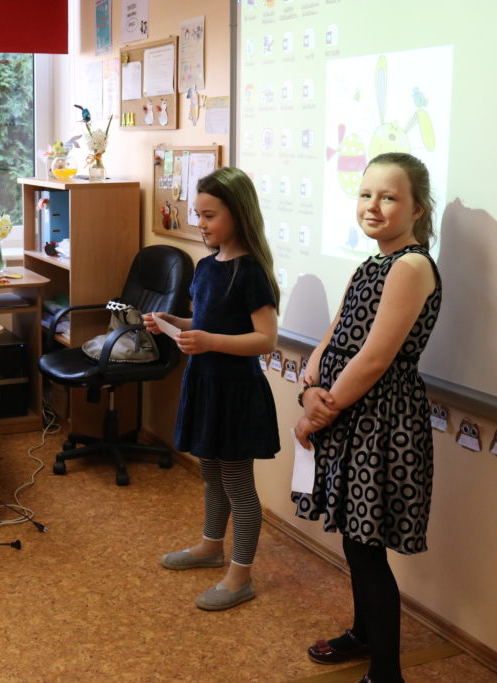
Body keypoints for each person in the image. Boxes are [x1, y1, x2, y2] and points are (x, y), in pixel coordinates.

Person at [293, 153, 441, 683]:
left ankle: (386, 672)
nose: (373, 206)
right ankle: (363, 634)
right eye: (365, 194)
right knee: (357, 540)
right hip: (349, 417)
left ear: (417, 209)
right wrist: (309, 388)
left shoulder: (411, 266)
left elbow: (375, 359)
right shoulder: (372, 263)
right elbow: (332, 338)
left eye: (389, 197)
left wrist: (318, 414)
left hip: (382, 423)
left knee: (366, 546)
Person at [145, 166, 281, 611]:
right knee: (211, 473)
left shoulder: (251, 272)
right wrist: (173, 323)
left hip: (236, 392)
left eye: (209, 216)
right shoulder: (206, 267)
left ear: (238, 215)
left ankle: (240, 576)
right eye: (198, 215)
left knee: (238, 483)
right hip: (205, 386)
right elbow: (204, 323)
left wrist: (208, 342)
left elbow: (265, 339)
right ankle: (210, 546)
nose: (200, 224)